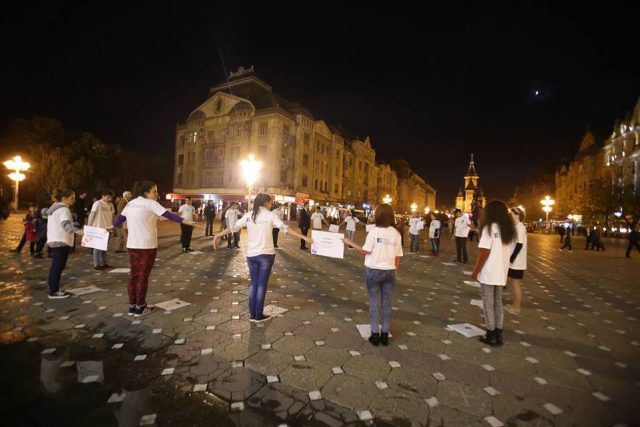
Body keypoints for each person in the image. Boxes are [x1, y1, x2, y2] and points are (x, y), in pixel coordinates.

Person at [213, 193, 311, 322]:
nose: (271, 205)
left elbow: (234, 228)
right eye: (270, 203)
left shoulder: (249, 215)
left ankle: (252, 313)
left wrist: (218, 235)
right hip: (266, 254)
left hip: (251, 255)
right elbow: (285, 228)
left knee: (254, 284)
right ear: (266, 202)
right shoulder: (271, 215)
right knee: (261, 285)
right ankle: (258, 314)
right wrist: (304, 237)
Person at [112, 180, 194, 316]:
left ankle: (132, 306)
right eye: (154, 191)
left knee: (133, 275)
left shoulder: (130, 203)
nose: (156, 194)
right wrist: (187, 222)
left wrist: (108, 227)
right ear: (146, 192)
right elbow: (169, 215)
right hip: (146, 246)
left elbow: (117, 221)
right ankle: (140, 307)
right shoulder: (150, 204)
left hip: (132, 245)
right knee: (143, 277)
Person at [343, 204, 403, 347]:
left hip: (373, 271)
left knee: (374, 302)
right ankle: (385, 334)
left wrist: (349, 242)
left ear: (377, 216)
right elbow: (397, 256)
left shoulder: (374, 232)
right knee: (387, 303)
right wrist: (395, 270)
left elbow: (365, 251)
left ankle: (375, 334)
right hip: (390, 271)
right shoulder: (396, 233)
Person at [471, 200, 516, 347]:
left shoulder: (488, 228)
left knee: (487, 303)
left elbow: (484, 252)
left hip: (489, 272)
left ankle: (490, 333)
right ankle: (498, 333)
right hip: (501, 271)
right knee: (498, 303)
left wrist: (475, 271)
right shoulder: (507, 229)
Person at [46, 189, 84, 299]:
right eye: (72, 198)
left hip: (54, 239)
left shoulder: (55, 207)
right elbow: (66, 225)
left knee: (57, 266)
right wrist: (78, 231)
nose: (74, 200)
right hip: (61, 240)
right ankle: (53, 291)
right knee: (57, 266)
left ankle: (54, 289)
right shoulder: (63, 209)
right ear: (64, 198)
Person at [88, 189, 116, 270]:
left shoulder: (111, 204)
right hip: (99, 229)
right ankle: (96, 264)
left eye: (111, 197)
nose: (110, 199)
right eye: (108, 197)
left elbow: (112, 215)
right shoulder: (97, 203)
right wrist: (89, 227)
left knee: (104, 248)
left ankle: (104, 263)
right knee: (97, 248)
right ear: (103, 196)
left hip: (108, 229)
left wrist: (113, 226)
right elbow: (92, 215)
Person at [506, 207, 527, 314]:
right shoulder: (516, 227)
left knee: (515, 283)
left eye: (512, 214)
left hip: (516, 262)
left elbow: (519, 244)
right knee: (510, 281)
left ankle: (517, 307)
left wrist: (511, 259)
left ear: (517, 215)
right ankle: (514, 304)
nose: (510, 215)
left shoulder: (520, 227)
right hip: (514, 261)